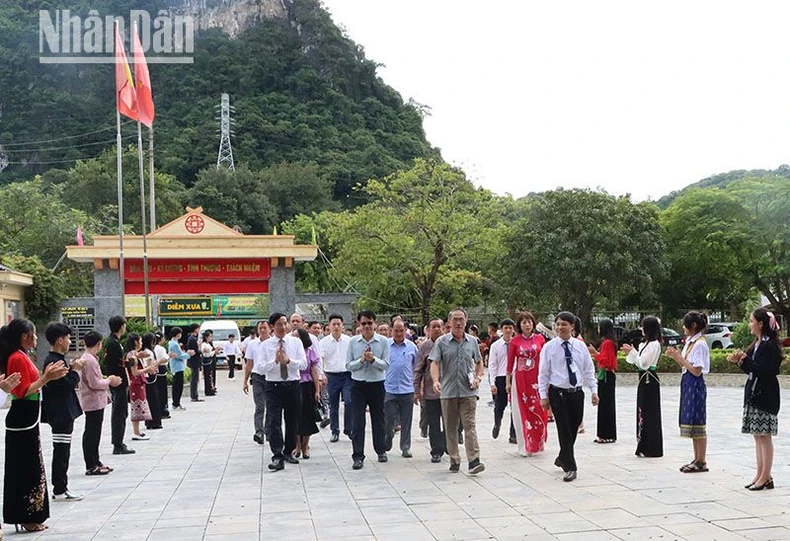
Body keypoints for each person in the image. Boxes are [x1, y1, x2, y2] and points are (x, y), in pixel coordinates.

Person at [1, 318, 68, 532]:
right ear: (24, 336)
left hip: (28, 417)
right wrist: (46, 378)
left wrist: (46, 377)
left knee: (32, 466)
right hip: (22, 418)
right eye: (33, 334)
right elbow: (20, 391)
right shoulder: (17, 358)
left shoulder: (23, 356)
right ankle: (25, 516)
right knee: (25, 468)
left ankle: (32, 514)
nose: (37, 337)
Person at [537, 311, 599, 482]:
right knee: (563, 429)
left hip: (576, 393)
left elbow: (588, 370)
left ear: (572, 326)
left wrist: (594, 390)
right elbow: (543, 373)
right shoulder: (549, 348)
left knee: (573, 428)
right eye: (557, 324)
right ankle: (571, 467)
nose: (560, 327)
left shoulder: (580, 346)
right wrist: (543, 395)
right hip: (557, 393)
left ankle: (563, 456)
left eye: (564, 324)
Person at [728, 308, 784, 490]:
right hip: (754, 392)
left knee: (764, 436)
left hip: (765, 394)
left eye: (752, 321)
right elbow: (752, 369)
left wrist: (744, 360)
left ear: (761, 324)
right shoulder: (758, 344)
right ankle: (760, 474)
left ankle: (765, 476)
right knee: (757, 435)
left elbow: (763, 369)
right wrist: (741, 361)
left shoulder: (769, 346)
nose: (750, 324)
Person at [429, 308, 485, 475]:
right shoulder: (441, 342)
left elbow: (479, 362)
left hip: (468, 391)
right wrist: (436, 380)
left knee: (470, 426)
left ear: (466, 321)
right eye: (455, 320)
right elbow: (435, 363)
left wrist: (478, 378)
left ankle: (474, 460)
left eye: (461, 319)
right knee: (450, 427)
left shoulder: (473, 342)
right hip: (449, 392)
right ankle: (454, 458)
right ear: (449, 322)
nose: (459, 322)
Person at [41, 322, 85, 501]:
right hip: (60, 412)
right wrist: (75, 371)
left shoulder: (56, 359)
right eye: (67, 338)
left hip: (61, 411)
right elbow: (63, 387)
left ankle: (61, 487)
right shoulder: (54, 361)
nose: (69, 341)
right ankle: (59, 489)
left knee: (62, 450)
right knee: (61, 451)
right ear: (60, 340)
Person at [259, 313, 308, 471]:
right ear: (272, 326)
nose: (283, 327)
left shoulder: (295, 343)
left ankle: (289, 451)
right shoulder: (265, 345)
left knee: (292, 420)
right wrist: (275, 361)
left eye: (284, 323)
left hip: (292, 385)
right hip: (273, 386)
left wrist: (288, 361)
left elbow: (303, 364)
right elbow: (260, 368)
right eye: (279, 324)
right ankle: (277, 455)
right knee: (274, 421)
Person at [666, 311, 710, 473]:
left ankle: (702, 460)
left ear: (693, 326)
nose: (683, 328)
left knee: (698, 420)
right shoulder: (691, 342)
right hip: (688, 382)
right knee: (691, 421)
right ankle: (697, 458)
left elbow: (697, 370)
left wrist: (679, 358)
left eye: (685, 325)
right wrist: (677, 357)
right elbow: (687, 366)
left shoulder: (699, 344)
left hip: (695, 383)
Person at [346, 310, 390, 470]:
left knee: (379, 419)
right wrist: (362, 360)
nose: (366, 326)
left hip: (377, 384)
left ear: (375, 323)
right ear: (359, 324)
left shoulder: (383, 341)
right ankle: (358, 456)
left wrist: (373, 360)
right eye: (363, 323)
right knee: (357, 421)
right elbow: (348, 365)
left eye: (369, 323)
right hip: (358, 385)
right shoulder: (353, 342)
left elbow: (386, 364)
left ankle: (381, 450)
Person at [78, 330, 122, 476]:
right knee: (92, 432)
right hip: (92, 400)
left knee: (95, 431)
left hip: (95, 400)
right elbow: (94, 382)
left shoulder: (90, 358)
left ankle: (95, 461)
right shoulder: (89, 360)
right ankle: (91, 464)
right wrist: (109, 380)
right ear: (99, 344)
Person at [506, 312, 548, 456]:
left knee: (539, 409)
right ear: (519, 325)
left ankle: (538, 442)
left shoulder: (540, 339)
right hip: (521, 380)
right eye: (523, 322)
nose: (527, 325)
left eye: (529, 322)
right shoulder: (515, 341)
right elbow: (510, 364)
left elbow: (545, 359)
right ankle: (525, 445)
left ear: (533, 323)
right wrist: (508, 382)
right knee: (523, 410)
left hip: (537, 379)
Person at [622, 316, 663, 457]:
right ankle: (643, 444)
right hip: (643, 380)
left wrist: (632, 353)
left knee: (650, 413)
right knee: (642, 411)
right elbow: (637, 361)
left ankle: (652, 446)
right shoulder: (644, 344)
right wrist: (632, 352)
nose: (641, 329)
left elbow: (644, 363)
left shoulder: (654, 344)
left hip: (649, 380)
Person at [384, 320, 418, 458]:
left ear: (405, 331)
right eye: (396, 330)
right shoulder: (385, 345)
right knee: (388, 418)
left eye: (401, 330)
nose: (398, 333)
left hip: (407, 389)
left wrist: (416, 387)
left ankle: (405, 446)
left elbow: (416, 368)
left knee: (406, 420)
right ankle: (388, 436)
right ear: (392, 330)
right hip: (389, 388)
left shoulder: (412, 347)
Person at [415, 318, 445, 463]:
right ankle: (436, 451)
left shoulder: (448, 343)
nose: (437, 329)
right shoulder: (424, 347)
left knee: (450, 422)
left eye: (439, 326)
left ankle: (446, 444)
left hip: (448, 392)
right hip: (430, 392)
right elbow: (418, 370)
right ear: (428, 329)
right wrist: (416, 390)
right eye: (434, 327)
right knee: (433, 423)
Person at [320, 314, 353, 442]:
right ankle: (335, 431)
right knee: (333, 405)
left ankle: (348, 428)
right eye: (333, 324)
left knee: (349, 402)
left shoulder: (349, 341)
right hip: (331, 376)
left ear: (343, 326)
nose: (336, 327)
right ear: (329, 326)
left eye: (339, 324)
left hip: (347, 375)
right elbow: (320, 359)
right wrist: (322, 374)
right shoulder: (323, 342)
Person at [105, 316, 135, 455]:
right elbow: (119, 363)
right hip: (118, 382)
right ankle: (118, 443)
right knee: (119, 412)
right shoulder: (113, 343)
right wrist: (131, 362)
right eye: (124, 325)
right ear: (121, 326)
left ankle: (119, 441)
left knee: (121, 412)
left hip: (120, 381)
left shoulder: (114, 342)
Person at [587, 318, 617, 443]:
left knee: (605, 405)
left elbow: (607, 361)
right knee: (605, 405)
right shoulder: (608, 342)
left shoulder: (607, 343)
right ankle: (605, 434)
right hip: (606, 376)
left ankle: (606, 434)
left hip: (606, 376)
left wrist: (595, 353)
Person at [294, 328, 320, 459]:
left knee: (308, 416)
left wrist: (317, 389)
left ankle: (305, 447)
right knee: (296, 416)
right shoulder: (291, 351)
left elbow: (314, 371)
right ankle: (297, 446)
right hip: (294, 385)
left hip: (307, 385)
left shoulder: (310, 351)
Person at [243, 320, 271, 444]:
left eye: (265, 328)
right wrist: (245, 381)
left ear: (270, 328)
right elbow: (249, 364)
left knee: (271, 406)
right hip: (257, 377)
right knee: (260, 406)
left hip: (271, 377)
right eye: (260, 328)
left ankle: (269, 431)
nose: (263, 330)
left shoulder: (274, 343)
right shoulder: (252, 344)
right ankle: (259, 431)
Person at [125, 334, 155, 441]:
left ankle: (137, 431)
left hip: (139, 383)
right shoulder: (132, 355)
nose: (141, 344)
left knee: (138, 405)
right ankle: (136, 432)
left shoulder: (135, 355)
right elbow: (135, 372)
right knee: (136, 406)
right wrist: (147, 369)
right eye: (140, 341)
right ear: (136, 342)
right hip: (136, 383)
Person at [488, 318, 513, 440]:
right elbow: (492, 365)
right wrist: (492, 383)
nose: (508, 330)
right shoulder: (496, 346)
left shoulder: (516, 344)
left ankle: (513, 433)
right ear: (501, 330)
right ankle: (497, 423)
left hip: (515, 377)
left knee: (515, 406)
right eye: (506, 328)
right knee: (500, 405)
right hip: (501, 377)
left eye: (510, 328)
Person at [142, 333, 163, 431]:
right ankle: (154, 421)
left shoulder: (144, 351)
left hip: (148, 377)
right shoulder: (148, 352)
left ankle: (150, 422)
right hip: (151, 377)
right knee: (153, 400)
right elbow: (150, 366)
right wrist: (157, 364)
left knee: (150, 400)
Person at [167, 327, 189, 411]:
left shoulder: (172, 343)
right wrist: (188, 354)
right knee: (178, 386)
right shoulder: (175, 344)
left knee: (177, 386)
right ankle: (176, 403)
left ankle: (176, 403)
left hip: (176, 367)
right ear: (177, 334)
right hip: (178, 367)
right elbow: (179, 356)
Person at [153, 332, 170, 419]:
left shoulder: (153, 348)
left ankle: (159, 410)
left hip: (155, 370)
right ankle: (163, 409)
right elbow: (164, 359)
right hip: (161, 368)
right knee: (162, 390)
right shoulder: (161, 348)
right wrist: (168, 356)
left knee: (157, 390)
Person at [185, 324, 202, 403]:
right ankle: (194, 396)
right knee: (194, 379)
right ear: (195, 329)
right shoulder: (192, 339)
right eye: (198, 328)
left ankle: (195, 395)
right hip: (194, 361)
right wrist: (202, 351)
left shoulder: (194, 338)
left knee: (195, 379)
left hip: (195, 361)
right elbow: (193, 351)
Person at [200, 330, 219, 396]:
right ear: (206, 337)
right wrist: (214, 352)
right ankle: (208, 390)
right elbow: (206, 353)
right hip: (207, 361)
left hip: (210, 360)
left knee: (210, 376)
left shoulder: (208, 344)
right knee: (208, 376)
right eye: (210, 337)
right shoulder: (204, 344)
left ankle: (211, 389)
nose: (211, 338)